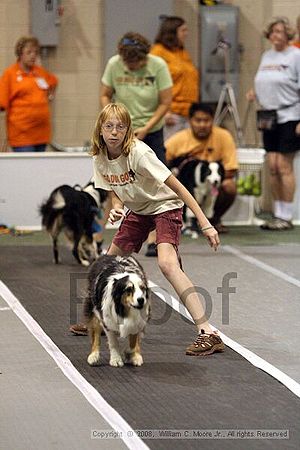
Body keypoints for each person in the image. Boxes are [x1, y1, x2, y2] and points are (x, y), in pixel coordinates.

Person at [86, 102, 224, 356]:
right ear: (101, 130)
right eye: (109, 126)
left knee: (167, 264)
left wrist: (205, 223)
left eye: (121, 126)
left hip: (165, 206)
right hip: (138, 209)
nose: (114, 132)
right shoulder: (100, 156)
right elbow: (113, 189)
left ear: (128, 130)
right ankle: (98, 316)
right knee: (106, 263)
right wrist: (117, 205)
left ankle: (208, 332)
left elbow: (179, 188)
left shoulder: (139, 153)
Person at [100, 31, 173, 256]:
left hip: (150, 130)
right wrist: (111, 119)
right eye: (128, 62)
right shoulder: (114, 64)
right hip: (120, 130)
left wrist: (147, 127)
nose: (131, 66)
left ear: (145, 56)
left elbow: (165, 102)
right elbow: (105, 94)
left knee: (155, 182)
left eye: (136, 62)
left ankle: (154, 238)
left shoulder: (157, 66)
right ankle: (101, 235)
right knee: (113, 179)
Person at [246, 17, 300, 230]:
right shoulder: (267, 55)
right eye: (273, 31)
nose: (275, 35)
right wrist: (255, 92)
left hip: (290, 115)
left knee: (285, 166)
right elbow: (263, 81)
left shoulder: (295, 56)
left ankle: (286, 216)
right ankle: (278, 213)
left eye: (280, 31)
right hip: (268, 116)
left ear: (288, 34)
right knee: (273, 166)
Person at [165, 103, 238, 233]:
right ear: (190, 121)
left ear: (212, 121)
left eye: (206, 120)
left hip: (212, 186)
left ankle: (213, 219)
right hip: (185, 187)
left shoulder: (224, 136)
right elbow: (161, 163)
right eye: (198, 120)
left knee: (230, 186)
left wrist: (207, 184)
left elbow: (231, 169)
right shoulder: (178, 139)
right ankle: (179, 221)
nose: (202, 125)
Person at [0, 36, 58, 152]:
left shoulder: (39, 71)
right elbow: (2, 104)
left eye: (35, 52)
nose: (33, 55)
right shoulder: (10, 74)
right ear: (20, 54)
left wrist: (50, 95)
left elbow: (53, 81)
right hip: (22, 136)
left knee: (39, 168)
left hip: (41, 134)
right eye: (29, 52)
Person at [151, 16, 199, 140]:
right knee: (170, 153)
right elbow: (151, 85)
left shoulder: (182, 52)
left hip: (188, 112)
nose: (186, 34)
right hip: (171, 114)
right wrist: (163, 112)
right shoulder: (157, 52)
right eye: (183, 30)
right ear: (172, 32)